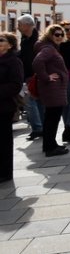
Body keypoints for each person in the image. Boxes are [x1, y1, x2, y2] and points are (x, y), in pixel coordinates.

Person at [32, 25, 70, 157]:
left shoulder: (51, 47)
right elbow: (37, 62)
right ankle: (50, 147)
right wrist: (46, 77)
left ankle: (51, 144)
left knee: (51, 117)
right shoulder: (49, 49)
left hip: (53, 89)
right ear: (50, 35)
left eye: (61, 34)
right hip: (52, 89)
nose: (59, 37)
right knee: (52, 118)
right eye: (56, 34)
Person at [0, 32, 24, 182]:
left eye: (1, 40)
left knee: (3, 140)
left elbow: (16, 85)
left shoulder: (13, 61)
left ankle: (5, 173)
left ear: (10, 45)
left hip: (4, 106)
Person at [17, 14, 43, 141]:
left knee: (30, 102)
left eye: (19, 25)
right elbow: (23, 55)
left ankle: (38, 128)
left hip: (35, 75)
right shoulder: (25, 39)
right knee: (36, 102)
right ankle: (41, 128)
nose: (17, 27)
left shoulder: (37, 40)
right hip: (28, 75)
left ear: (27, 26)